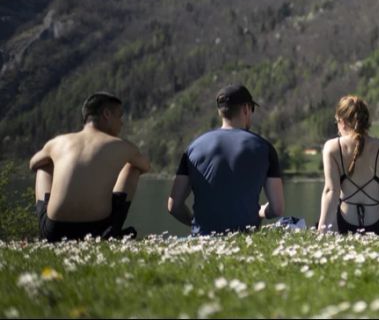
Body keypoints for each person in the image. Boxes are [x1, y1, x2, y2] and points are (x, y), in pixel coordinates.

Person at [28, 92, 150, 242]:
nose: (122, 122)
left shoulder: (58, 142)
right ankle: (112, 230)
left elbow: (33, 163)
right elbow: (145, 166)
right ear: (107, 114)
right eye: (120, 116)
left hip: (55, 231)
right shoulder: (122, 146)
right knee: (132, 167)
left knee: (44, 166)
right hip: (100, 230)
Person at [167, 84, 285, 235]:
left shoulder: (193, 147)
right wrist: (260, 211)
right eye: (252, 110)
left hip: (202, 241)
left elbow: (174, 205)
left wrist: (195, 223)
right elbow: (277, 208)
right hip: (245, 241)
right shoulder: (264, 148)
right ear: (246, 109)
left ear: (220, 112)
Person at [318, 95, 379, 234]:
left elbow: (331, 191)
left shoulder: (332, 147)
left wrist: (321, 232)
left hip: (345, 225)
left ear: (342, 122)